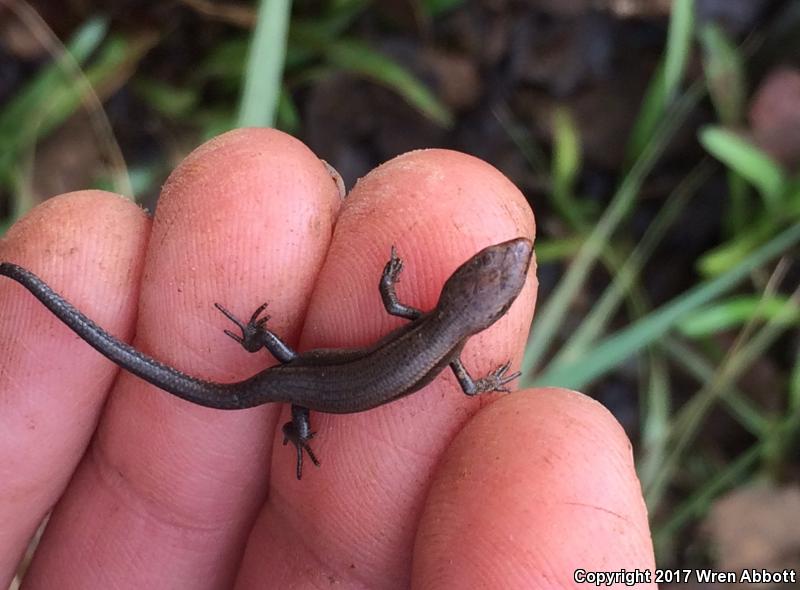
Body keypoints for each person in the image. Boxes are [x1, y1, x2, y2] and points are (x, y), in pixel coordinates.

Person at [0, 129, 655, 588]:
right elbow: (453, 371)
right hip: (304, 391)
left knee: (282, 372)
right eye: (492, 266)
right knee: (288, 385)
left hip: (297, 373)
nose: (504, 259)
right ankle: (295, 424)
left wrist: (389, 276)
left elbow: (393, 305)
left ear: (479, 304)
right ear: (472, 301)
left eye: (497, 273)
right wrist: (300, 423)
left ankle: (273, 376)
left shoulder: (432, 325)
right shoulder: (450, 347)